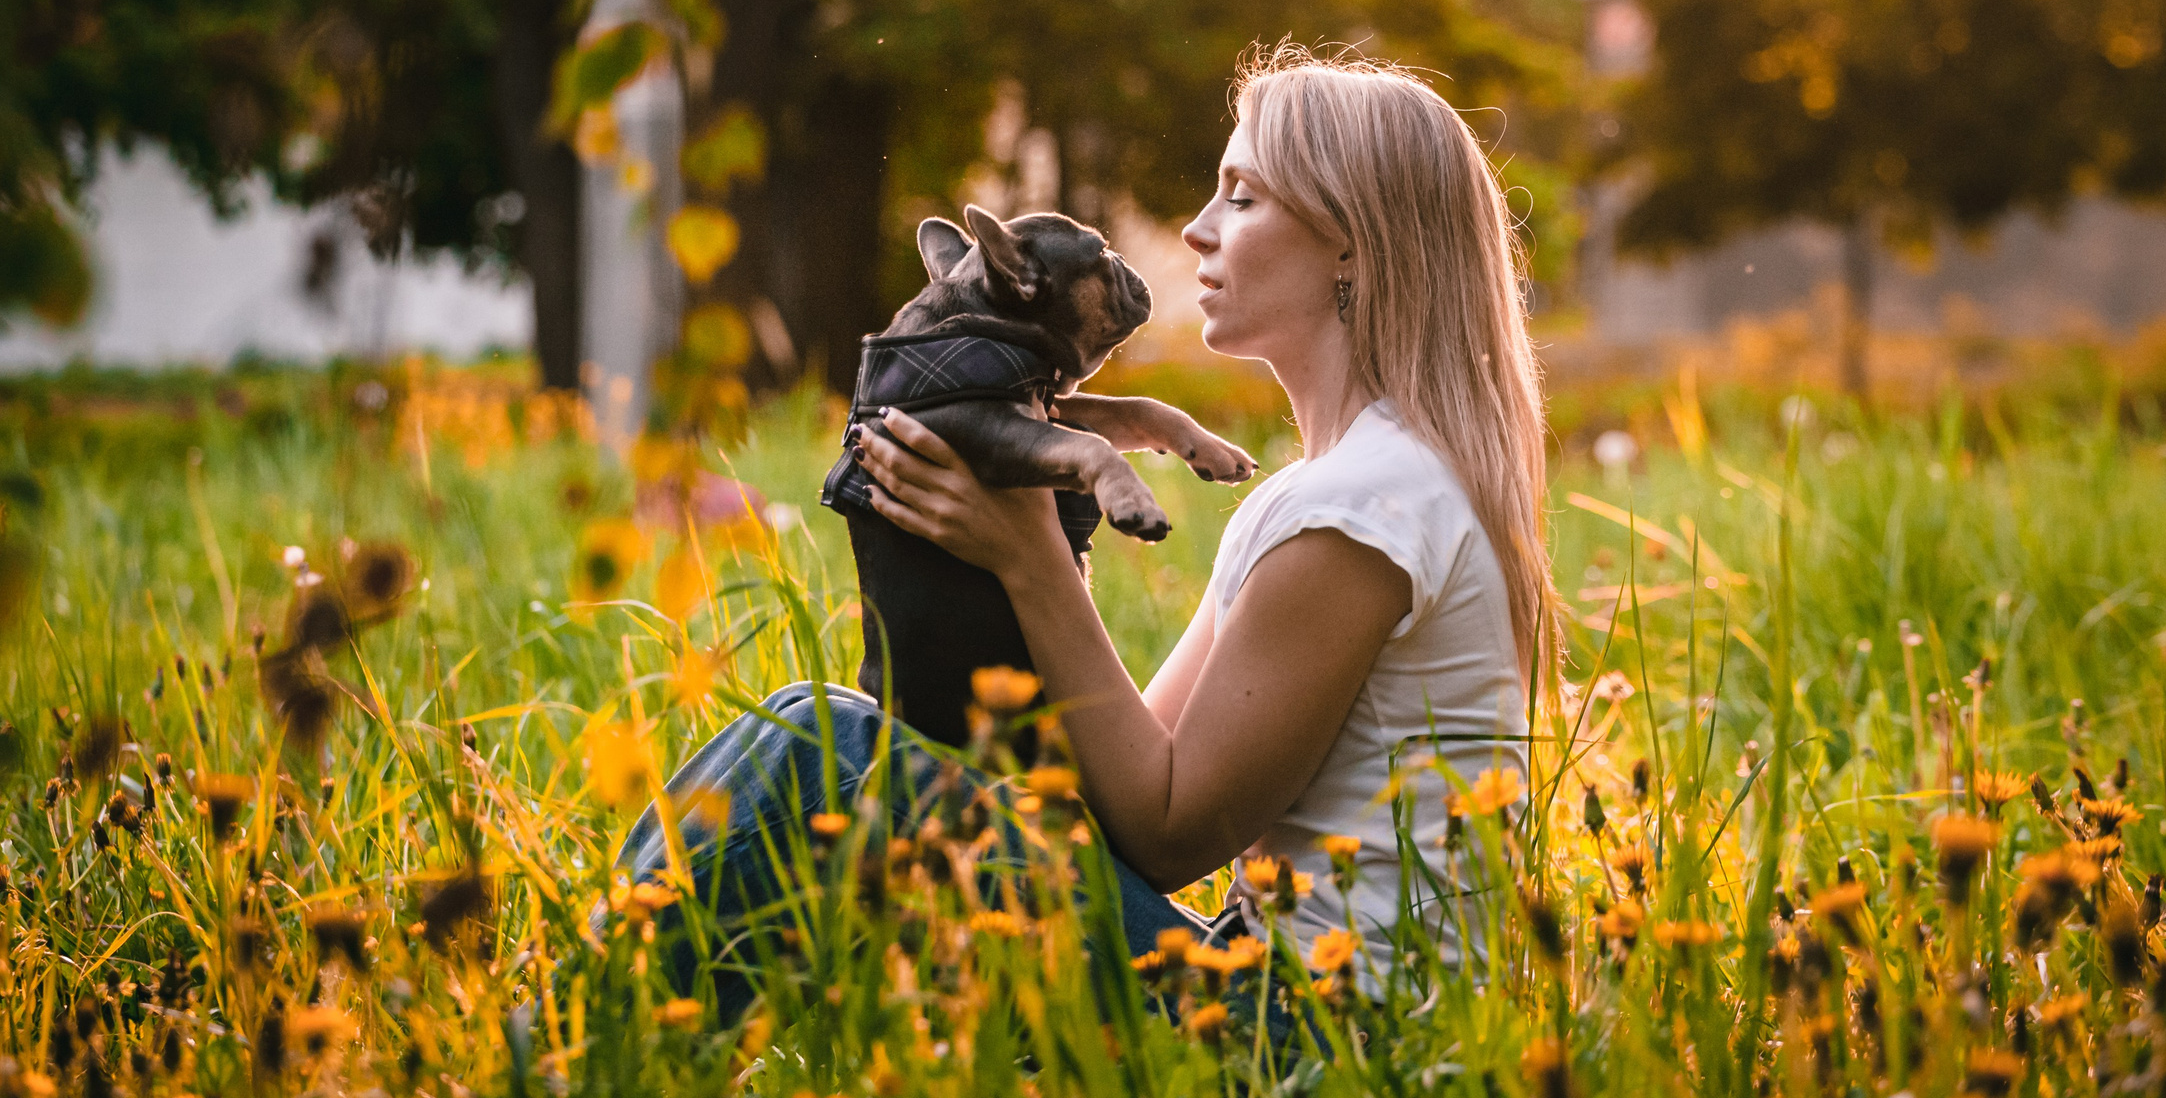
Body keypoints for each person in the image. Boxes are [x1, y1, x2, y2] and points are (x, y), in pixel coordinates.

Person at [616, 48, 1561, 991]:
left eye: (1241, 196)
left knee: (820, 759)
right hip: (1265, 988)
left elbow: (1164, 834)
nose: (1195, 230)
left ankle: (572, 1038)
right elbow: (1118, 792)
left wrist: (1031, 555)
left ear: (1350, 239)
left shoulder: (1360, 510)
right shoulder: (1329, 490)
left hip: (1320, 1048)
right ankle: (593, 1029)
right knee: (822, 731)